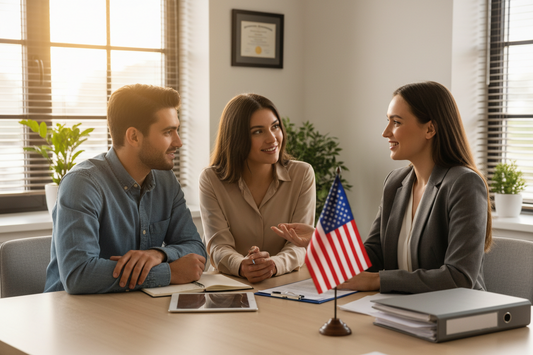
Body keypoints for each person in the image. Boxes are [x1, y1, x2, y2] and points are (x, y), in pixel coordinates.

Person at [273, 81, 492, 294]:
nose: (386, 132)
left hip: (456, 315)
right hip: (405, 309)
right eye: (388, 121)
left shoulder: (464, 184)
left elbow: (459, 277)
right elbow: (373, 257)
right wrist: (323, 240)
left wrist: (377, 281)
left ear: (430, 129)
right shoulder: (396, 182)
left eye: (396, 122)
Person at [44, 84, 207, 294]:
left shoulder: (166, 180)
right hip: (73, 314)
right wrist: (170, 273)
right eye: (168, 132)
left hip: (136, 310)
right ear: (134, 137)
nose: (179, 142)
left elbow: (195, 249)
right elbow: (79, 274)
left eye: (177, 130)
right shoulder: (82, 184)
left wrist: (158, 255)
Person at [199, 93, 316, 283]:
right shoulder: (211, 179)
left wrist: (274, 265)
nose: (272, 138)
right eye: (258, 131)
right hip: (230, 285)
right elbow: (218, 246)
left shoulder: (302, 174)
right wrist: (241, 265)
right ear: (237, 138)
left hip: (283, 283)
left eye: (275, 127)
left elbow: (299, 244)